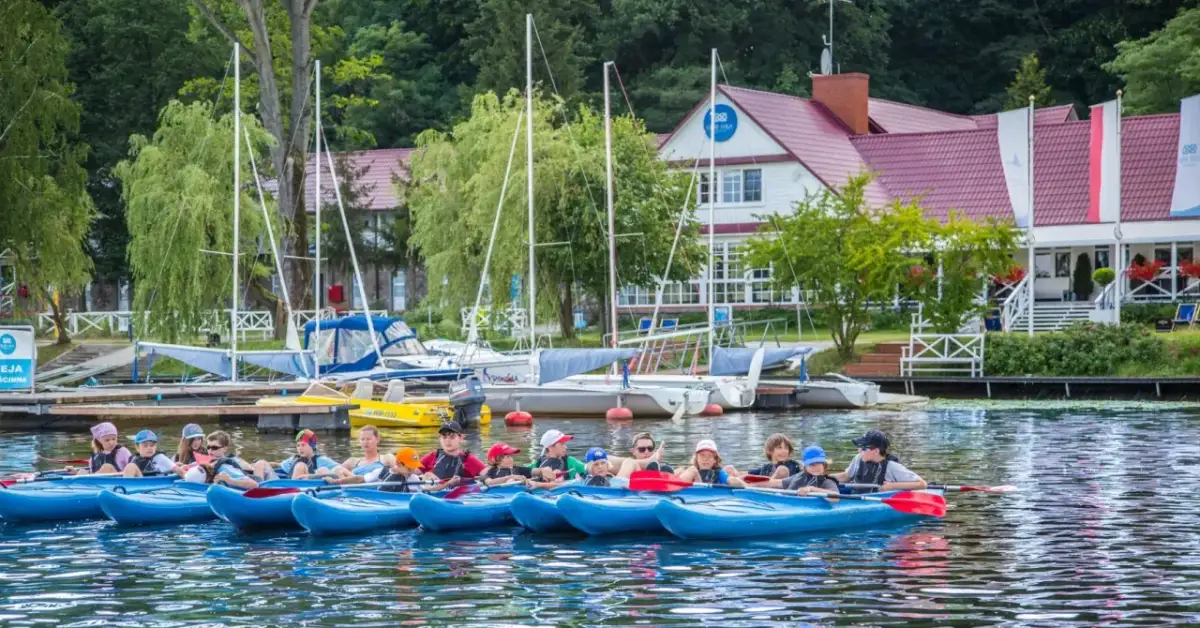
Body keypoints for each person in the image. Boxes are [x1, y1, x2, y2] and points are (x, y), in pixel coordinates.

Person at [833, 430, 927, 493]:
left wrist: (892, 486)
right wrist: (824, 478)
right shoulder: (858, 458)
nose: (859, 451)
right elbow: (846, 476)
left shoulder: (892, 466)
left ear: (876, 451)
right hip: (857, 496)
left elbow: (922, 484)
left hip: (877, 500)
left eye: (863, 448)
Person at [259, 430, 346, 480]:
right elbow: (279, 465)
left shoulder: (322, 460)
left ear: (312, 446)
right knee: (261, 463)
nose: (300, 448)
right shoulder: (294, 459)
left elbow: (339, 469)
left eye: (303, 445)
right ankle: (257, 486)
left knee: (300, 465)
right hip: (285, 484)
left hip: (305, 485)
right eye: (298, 445)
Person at [330, 448, 426, 493]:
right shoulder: (381, 472)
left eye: (414, 467)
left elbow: (421, 493)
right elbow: (359, 479)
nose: (413, 470)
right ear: (399, 464)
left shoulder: (413, 478)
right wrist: (337, 482)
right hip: (380, 501)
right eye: (410, 467)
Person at [419, 422, 486, 486]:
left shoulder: (469, 459)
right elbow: (412, 472)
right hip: (432, 493)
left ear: (461, 438)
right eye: (444, 437)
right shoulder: (432, 456)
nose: (448, 441)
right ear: (440, 439)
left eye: (452, 437)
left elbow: (489, 473)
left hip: (459, 494)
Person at [761, 445, 840, 495]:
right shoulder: (800, 477)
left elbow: (835, 497)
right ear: (805, 467)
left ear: (824, 466)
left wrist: (812, 489)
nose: (815, 467)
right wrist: (751, 484)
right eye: (811, 465)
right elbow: (777, 483)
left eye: (819, 464)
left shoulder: (827, 482)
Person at [678, 440, 744, 487]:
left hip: (711, 496)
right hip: (690, 495)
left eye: (710, 456)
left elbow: (735, 483)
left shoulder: (719, 473)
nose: (705, 459)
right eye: (702, 455)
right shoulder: (689, 471)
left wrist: (732, 480)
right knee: (692, 470)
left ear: (715, 460)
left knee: (730, 469)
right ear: (696, 458)